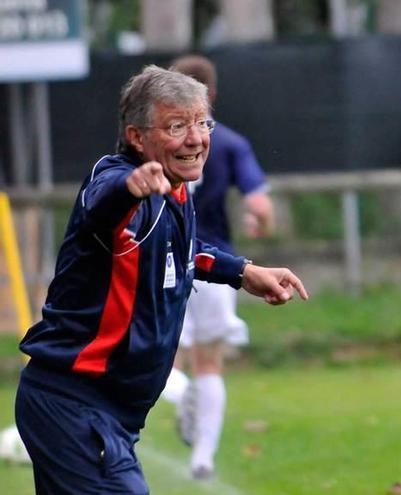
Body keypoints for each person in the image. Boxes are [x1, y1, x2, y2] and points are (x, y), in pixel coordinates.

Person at [14, 65, 308, 494]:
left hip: (105, 415)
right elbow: (101, 207)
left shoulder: (175, 189)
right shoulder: (115, 180)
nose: (196, 138)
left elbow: (184, 248)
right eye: (177, 126)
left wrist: (243, 272)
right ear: (137, 137)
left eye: (201, 123)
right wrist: (130, 187)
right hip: (74, 407)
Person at [159, 53, 275, 481]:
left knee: (165, 359)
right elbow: (260, 204)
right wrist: (258, 222)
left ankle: (183, 393)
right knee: (209, 362)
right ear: (212, 93)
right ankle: (202, 458)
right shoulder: (228, 143)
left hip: (164, 264)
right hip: (217, 267)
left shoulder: (155, 142)